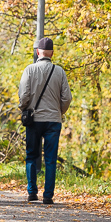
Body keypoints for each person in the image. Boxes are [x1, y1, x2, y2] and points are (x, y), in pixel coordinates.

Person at [18, 37, 72, 205]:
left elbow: (24, 95)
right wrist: (59, 111)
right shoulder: (59, 71)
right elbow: (67, 98)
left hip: (34, 120)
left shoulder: (29, 70)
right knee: (50, 159)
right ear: (52, 53)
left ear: (37, 52)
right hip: (53, 121)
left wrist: (23, 107)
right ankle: (48, 195)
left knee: (31, 156)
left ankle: (32, 192)